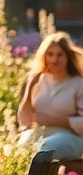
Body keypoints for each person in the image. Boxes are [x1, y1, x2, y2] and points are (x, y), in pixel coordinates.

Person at [17, 32, 83, 161]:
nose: (54, 59)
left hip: (71, 137)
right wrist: (30, 87)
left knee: (42, 151)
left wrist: (54, 120)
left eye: (60, 55)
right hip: (39, 133)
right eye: (50, 54)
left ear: (68, 57)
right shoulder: (37, 80)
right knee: (20, 150)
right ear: (44, 56)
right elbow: (24, 121)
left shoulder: (79, 83)